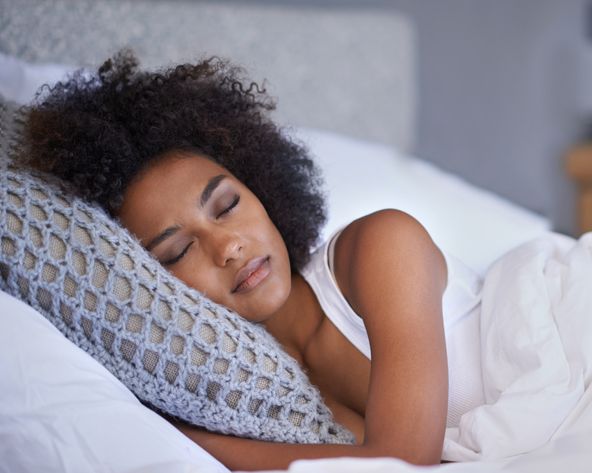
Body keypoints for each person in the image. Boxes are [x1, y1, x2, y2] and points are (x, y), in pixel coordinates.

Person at [19, 50, 485, 470]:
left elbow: (401, 462)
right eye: (179, 251)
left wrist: (193, 441)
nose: (228, 247)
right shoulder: (258, 390)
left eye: (226, 206)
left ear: (262, 188)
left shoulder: (382, 243)